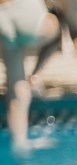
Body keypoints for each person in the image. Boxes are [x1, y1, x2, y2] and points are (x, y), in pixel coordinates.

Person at [0, 0, 60, 152]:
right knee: (57, 23)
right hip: (28, 14)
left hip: (3, 21)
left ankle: (20, 144)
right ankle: (35, 75)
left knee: (16, 87)